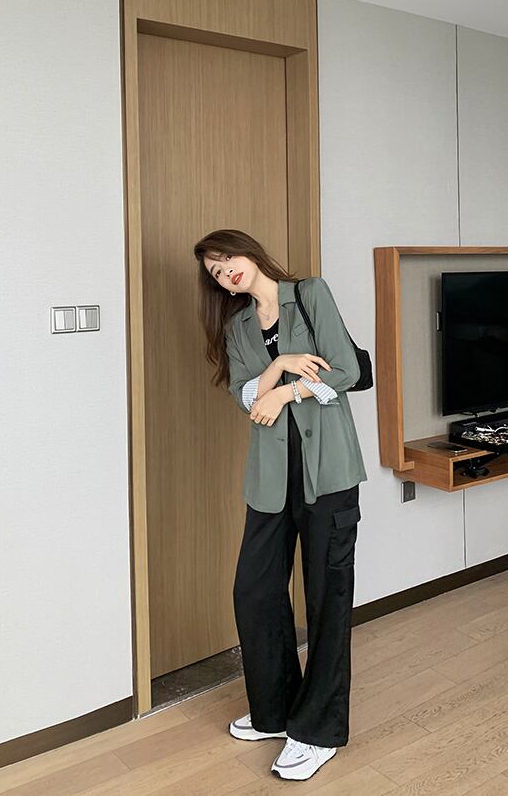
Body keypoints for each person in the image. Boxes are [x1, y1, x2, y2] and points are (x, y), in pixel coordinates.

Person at [193, 228, 367, 782]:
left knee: (327, 598)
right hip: (271, 480)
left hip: (328, 475)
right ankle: (274, 711)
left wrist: (287, 390)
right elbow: (244, 396)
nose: (225, 270)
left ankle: (317, 731)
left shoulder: (310, 294)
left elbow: (347, 370)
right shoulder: (238, 327)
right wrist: (280, 364)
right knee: (255, 591)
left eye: (227, 257)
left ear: (249, 252)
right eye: (215, 271)